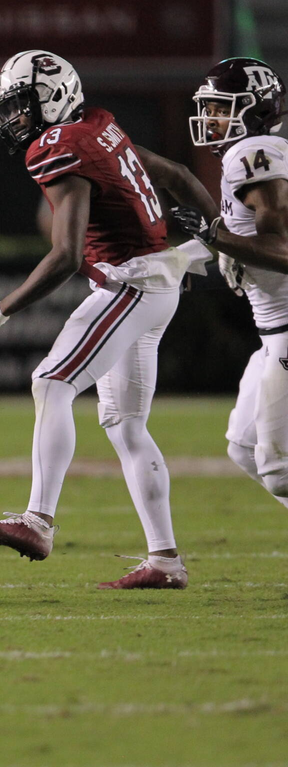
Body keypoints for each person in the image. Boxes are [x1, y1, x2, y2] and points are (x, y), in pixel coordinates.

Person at [0, 50, 211, 590]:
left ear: (51, 98)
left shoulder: (60, 144)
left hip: (131, 282)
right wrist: (216, 238)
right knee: (125, 425)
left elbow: (66, 256)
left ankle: (37, 521)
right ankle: (165, 561)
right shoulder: (97, 127)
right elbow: (179, 175)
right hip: (155, 279)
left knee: (52, 382)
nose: (13, 119)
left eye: (21, 105)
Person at [167, 58, 288, 514]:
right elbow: (249, 249)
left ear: (255, 110)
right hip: (274, 332)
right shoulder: (252, 156)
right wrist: (171, 266)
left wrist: (215, 238)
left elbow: (282, 250)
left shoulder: (253, 154)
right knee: (243, 447)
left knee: (279, 469)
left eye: (221, 108)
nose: (211, 118)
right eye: (210, 108)